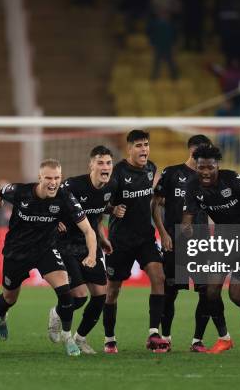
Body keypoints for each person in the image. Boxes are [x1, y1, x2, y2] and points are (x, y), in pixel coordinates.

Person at [0, 159, 98, 357]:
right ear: (39, 178)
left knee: (65, 293)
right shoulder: (20, 191)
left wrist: (92, 255)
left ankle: (67, 337)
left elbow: (88, 230)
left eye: (57, 178)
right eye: (48, 178)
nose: (53, 182)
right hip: (17, 252)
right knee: (9, 298)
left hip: (46, 250)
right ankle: (1, 316)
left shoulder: (65, 197)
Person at [181, 145, 240, 354]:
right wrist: (187, 229)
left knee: (235, 295)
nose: (206, 172)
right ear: (197, 166)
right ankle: (224, 338)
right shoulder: (193, 186)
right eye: (201, 167)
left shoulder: (232, 179)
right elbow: (187, 219)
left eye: (210, 167)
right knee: (211, 291)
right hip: (221, 241)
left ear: (217, 165)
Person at [103, 129, 168, 353]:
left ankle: (153, 334)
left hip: (145, 238)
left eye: (146, 145)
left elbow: (152, 202)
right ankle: (109, 338)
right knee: (112, 290)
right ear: (129, 148)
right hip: (119, 241)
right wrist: (113, 209)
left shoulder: (151, 169)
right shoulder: (117, 173)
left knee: (159, 278)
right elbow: (101, 202)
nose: (144, 149)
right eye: (139, 145)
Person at [47, 146, 117, 354]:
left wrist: (102, 238)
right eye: (100, 162)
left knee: (100, 296)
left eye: (108, 163)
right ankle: (57, 313)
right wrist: (55, 221)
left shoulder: (110, 186)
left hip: (90, 243)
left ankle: (80, 338)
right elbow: (50, 201)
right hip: (65, 244)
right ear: (91, 165)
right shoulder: (73, 185)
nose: (105, 167)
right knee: (78, 297)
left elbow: (96, 216)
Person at [152, 134, 213, 352]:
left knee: (206, 291)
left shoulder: (210, 178)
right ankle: (165, 338)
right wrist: (163, 233)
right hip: (175, 240)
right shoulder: (172, 173)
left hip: (201, 241)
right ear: (192, 150)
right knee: (170, 292)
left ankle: (197, 340)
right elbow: (156, 203)